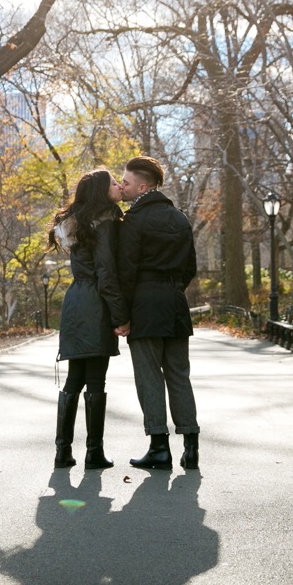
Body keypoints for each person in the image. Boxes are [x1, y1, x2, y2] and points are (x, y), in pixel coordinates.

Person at [115, 156, 200, 470]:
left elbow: (125, 272)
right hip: (176, 303)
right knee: (179, 375)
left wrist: (121, 315)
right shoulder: (179, 218)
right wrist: (173, 289)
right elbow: (190, 267)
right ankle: (191, 448)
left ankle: (159, 448)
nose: (121, 186)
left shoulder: (134, 221)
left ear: (142, 186)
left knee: (149, 377)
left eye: (125, 182)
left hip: (144, 306)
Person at [48, 169, 131, 470]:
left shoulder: (76, 223)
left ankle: (62, 453)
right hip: (96, 303)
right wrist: (120, 316)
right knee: (95, 379)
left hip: (75, 302)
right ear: (100, 191)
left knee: (74, 379)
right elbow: (106, 272)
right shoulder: (105, 222)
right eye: (112, 183)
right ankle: (94, 453)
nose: (118, 185)